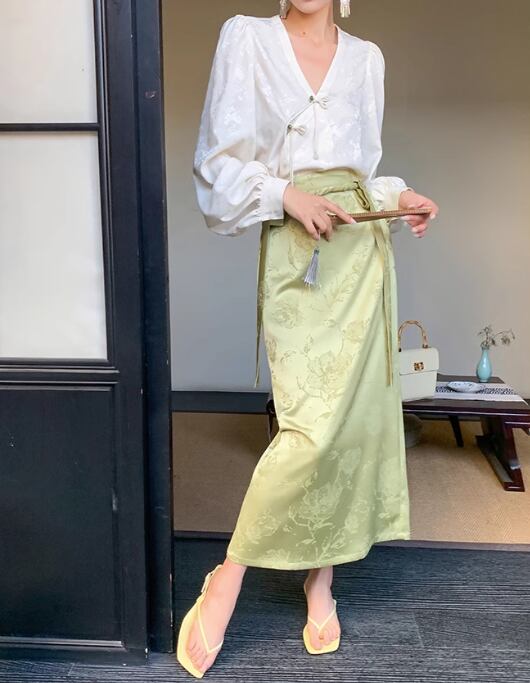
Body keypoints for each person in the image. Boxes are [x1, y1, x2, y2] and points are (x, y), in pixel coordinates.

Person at [177, 0, 439, 677]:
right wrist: (287, 197)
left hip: (361, 254)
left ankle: (321, 581)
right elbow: (217, 167)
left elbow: (361, 172)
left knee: (349, 424)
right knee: (310, 429)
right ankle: (230, 574)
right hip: (300, 255)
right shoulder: (248, 40)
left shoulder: (367, 60)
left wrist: (400, 196)